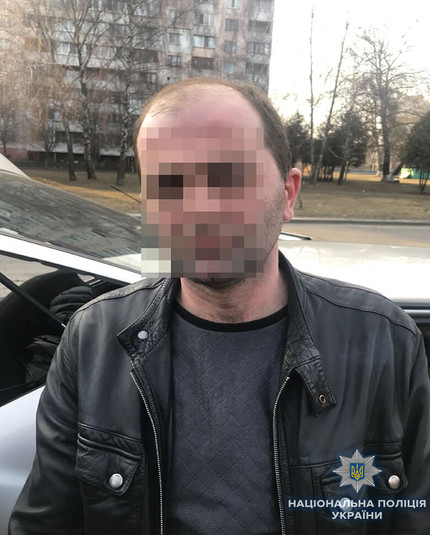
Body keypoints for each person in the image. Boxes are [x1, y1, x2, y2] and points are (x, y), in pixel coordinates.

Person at [9, 78, 430, 534]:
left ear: (288, 194)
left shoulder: (385, 342)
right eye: (169, 182)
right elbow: (44, 524)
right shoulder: (92, 340)